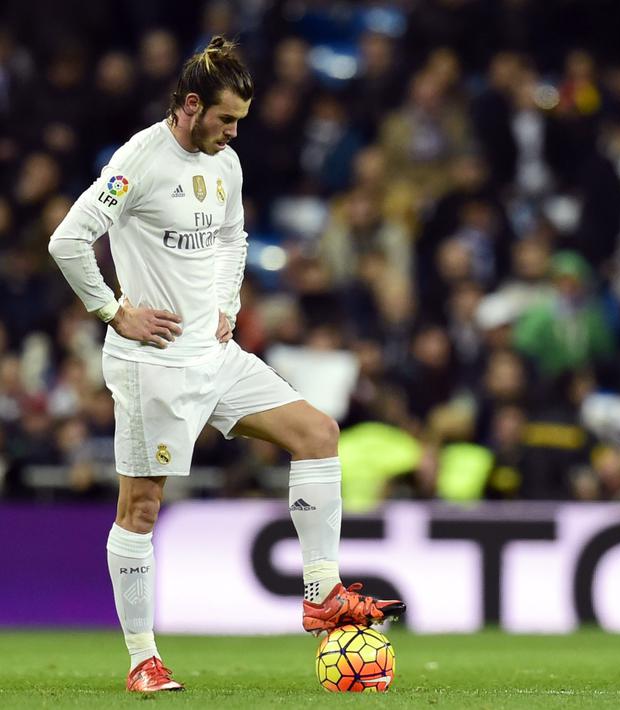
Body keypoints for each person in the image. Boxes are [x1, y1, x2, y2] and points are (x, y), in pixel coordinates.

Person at [46, 37, 405, 693]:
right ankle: (142, 659)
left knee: (317, 433)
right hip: (151, 363)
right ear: (190, 106)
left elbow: (233, 237)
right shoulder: (140, 160)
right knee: (142, 509)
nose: (234, 132)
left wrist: (226, 306)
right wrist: (112, 310)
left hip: (215, 356)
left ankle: (322, 592)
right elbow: (67, 239)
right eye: (226, 119)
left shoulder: (227, 164)